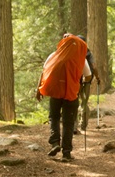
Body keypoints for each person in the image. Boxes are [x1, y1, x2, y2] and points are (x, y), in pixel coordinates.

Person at [36, 34, 91, 162]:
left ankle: (55, 143)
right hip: (71, 93)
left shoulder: (54, 55)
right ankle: (66, 152)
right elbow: (88, 76)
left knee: (54, 117)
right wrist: (80, 81)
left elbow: (45, 71)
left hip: (56, 92)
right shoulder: (80, 58)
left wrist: (39, 90)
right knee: (68, 122)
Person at [74, 35, 100, 135]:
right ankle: (83, 125)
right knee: (84, 102)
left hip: (76, 81)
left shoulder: (73, 52)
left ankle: (74, 126)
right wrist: (97, 77)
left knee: (74, 101)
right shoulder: (88, 53)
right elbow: (94, 66)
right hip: (87, 81)